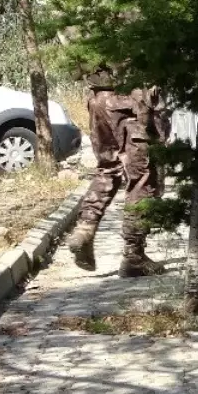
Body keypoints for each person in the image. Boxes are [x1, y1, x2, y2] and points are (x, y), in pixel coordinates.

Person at [65, 63, 172, 278]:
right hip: (132, 100)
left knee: (108, 167)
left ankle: (85, 227)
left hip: (98, 98)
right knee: (143, 178)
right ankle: (134, 255)